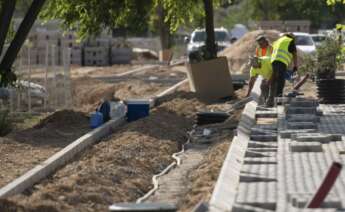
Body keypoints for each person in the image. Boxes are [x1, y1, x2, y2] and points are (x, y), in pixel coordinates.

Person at [266, 33, 298, 107]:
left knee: (274, 79)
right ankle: (279, 100)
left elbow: (272, 50)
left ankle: (271, 99)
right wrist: (295, 66)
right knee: (280, 79)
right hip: (282, 61)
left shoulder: (278, 40)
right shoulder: (290, 40)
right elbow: (294, 54)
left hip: (273, 61)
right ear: (292, 37)